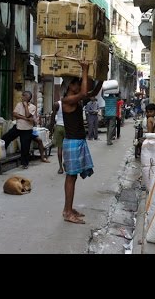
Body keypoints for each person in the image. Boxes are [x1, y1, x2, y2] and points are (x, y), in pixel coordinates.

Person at [60, 64, 103, 224]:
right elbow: (85, 92)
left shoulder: (76, 100)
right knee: (71, 177)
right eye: (77, 82)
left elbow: (92, 93)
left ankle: (69, 209)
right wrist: (85, 70)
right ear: (70, 86)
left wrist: (101, 79)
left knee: (73, 177)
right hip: (72, 143)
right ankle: (67, 211)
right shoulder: (67, 100)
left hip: (77, 141)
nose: (79, 85)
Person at [1, 91, 36, 169]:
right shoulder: (19, 104)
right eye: (22, 95)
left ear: (28, 98)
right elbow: (14, 114)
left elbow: (28, 114)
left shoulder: (33, 107)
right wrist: (24, 118)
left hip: (27, 130)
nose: (22, 97)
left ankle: (25, 163)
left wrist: (26, 106)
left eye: (24, 96)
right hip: (18, 127)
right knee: (5, 138)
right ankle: (2, 154)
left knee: (25, 147)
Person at [49, 99, 66, 174]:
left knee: (60, 147)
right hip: (68, 127)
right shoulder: (71, 103)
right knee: (68, 148)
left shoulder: (56, 104)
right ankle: (66, 163)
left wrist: (50, 130)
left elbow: (52, 118)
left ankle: (60, 168)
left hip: (58, 126)